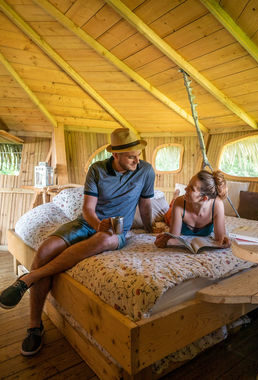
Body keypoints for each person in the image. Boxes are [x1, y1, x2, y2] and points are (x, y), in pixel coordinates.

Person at [0, 128, 155, 356]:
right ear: (116, 155)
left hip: (116, 230)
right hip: (85, 223)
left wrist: (151, 229)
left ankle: (29, 278)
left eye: (138, 155)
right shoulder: (97, 170)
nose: (137, 160)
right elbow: (88, 209)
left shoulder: (145, 171)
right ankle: (35, 327)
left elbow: (146, 205)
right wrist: (96, 224)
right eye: (132, 156)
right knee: (45, 250)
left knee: (105, 238)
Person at [155, 170, 230, 248]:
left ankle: (175, 196)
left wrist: (224, 241)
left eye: (191, 188)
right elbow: (174, 238)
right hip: (175, 211)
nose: (185, 189)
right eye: (188, 184)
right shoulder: (179, 203)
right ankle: (175, 196)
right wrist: (166, 241)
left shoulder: (217, 204)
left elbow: (220, 238)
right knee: (169, 210)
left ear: (204, 198)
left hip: (184, 205)